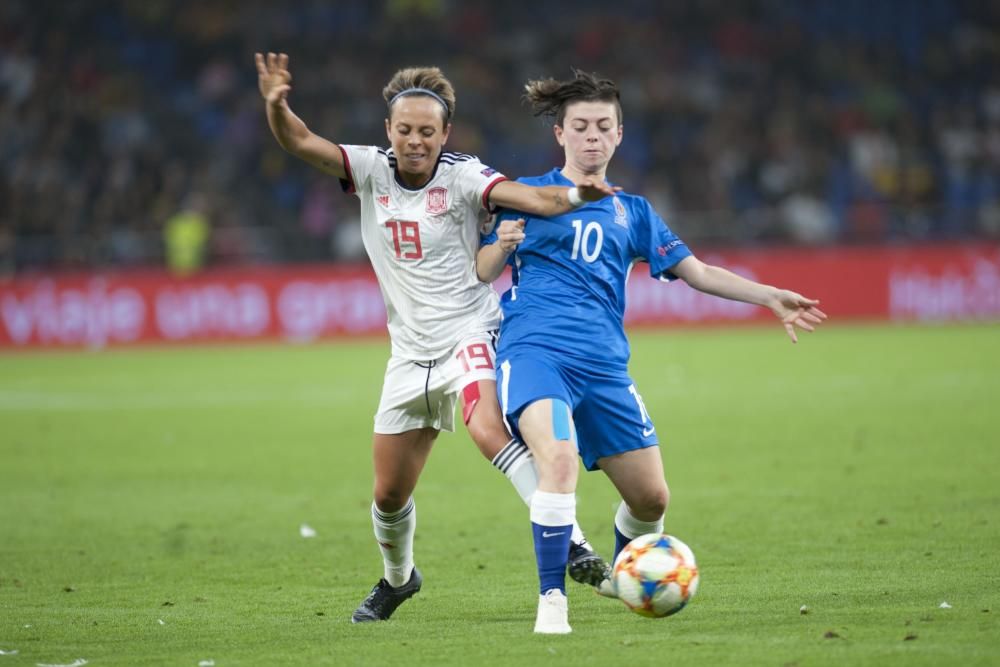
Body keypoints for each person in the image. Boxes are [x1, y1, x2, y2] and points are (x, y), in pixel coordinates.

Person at [254, 53, 619, 623]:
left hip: (470, 331)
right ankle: (398, 580)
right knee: (388, 495)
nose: (416, 141)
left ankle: (570, 538)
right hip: (408, 355)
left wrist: (578, 195)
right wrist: (277, 105)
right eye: (405, 131)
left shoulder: (464, 176)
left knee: (485, 426)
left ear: (445, 133)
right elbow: (300, 142)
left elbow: (537, 199)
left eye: (428, 132)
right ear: (389, 131)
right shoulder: (370, 169)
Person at [477, 70, 827, 634]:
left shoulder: (633, 211)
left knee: (651, 498)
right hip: (536, 350)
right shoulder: (530, 195)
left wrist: (768, 297)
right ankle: (552, 602)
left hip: (604, 365)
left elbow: (698, 272)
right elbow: (484, 269)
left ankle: (622, 575)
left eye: (604, 127)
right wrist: (502, 246)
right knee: (558, 461)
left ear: (619, 136)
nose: (592, 137)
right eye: (581, 126)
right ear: (560, 134)